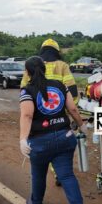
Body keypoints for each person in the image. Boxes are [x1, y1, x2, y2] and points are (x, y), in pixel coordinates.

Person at [19, 56, 90, 204]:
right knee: (67, 175)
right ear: (44, 69)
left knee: (38, 173)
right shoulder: (59, 85)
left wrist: (22, 139)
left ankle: (36, 203)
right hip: (65, 138)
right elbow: (72, 108)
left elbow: (27, 115)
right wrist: (81, 125)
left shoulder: (27, 90)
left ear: (27, 72)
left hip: (40, 142)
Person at [21, 38, 78, 186]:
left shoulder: (33, 65)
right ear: (57, 51)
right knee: (60, 144)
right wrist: (68, 111)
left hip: (38, 114)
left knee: (43, 143)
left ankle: (40, 190)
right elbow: (72, 90)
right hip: (59, 113)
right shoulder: (62, 65)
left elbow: (24, 90)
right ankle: (60, 173)